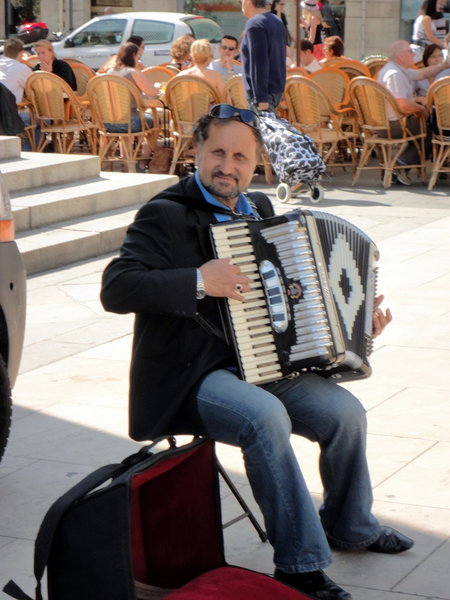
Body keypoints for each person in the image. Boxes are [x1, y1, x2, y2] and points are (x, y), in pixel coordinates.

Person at [101, 103, 414, 600]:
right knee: (265, 417)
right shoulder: (164, 214)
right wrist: (199, 281)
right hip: (193, 376)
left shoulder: (262, 212)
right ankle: (300, 565)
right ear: (197, 152)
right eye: (218, 152)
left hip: (265, 364)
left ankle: (352, 525)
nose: (228, 166)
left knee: (345, 413)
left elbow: (298, 300)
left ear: (257, 163)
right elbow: (117, 289)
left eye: (241, 157)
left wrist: (354, 321)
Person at [378, 39, 450, 184]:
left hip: (389, 121)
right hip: (394, 124)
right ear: (401, 56)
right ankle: (399, 165)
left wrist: (443, 65)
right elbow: (403, 104)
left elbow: (421, 74)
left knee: (431, 126)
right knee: (433, 130)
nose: (413, 54)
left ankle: (403, 165)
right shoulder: (395, 74)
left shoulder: (397, 69)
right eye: (410, 51)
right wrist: (422, 109)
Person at [103, 42, 159, 171]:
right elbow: (151, 92)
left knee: (126, 122)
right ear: (133, 56)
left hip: (108, 122)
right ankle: (144, 159)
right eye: (138, 57)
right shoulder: (133, 72)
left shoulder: (110, 72)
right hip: (130, 122)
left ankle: (125, 159)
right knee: (155, 122)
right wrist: (157, 87)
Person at [240, 0, 286, 111]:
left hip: (262, 95)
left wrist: (261, 99)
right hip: (275, 90)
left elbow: (259, 63)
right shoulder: (276, 20)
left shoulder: (255, 24)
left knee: (259, 128)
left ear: (248, 2)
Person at [271, 0, 294, 66]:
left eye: (283, 4)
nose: (282, 6)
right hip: (274, 40)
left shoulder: (282, 15)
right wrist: (278, 12)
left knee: (288, 59)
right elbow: (276, 25)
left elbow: (284, 28)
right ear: (276, 4)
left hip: (283, 39)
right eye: (281, 4)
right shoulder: (271, 14)